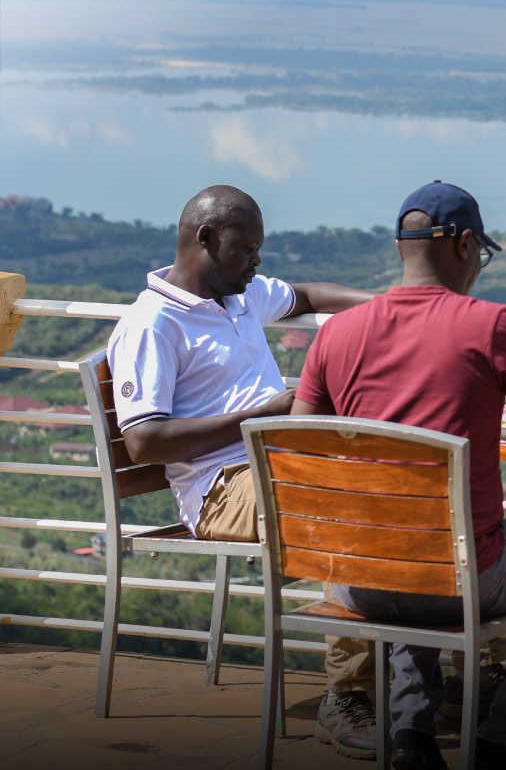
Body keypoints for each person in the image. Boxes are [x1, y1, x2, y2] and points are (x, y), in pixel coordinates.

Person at [292, 181, 506, 770]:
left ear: (401, 247)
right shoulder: (492, 326)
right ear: (467, 245)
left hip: (359, 576)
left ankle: (411, 735)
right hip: (460, 578)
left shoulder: (335, 335)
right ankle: (504, 736)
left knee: (405, 543)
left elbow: (302, 457)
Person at [109, 185, 385, 760]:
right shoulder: (153, 324)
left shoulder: (239, 294)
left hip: (283, 459)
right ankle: (348, 695)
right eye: (248, 248)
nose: (258, 261)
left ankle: (459, 671)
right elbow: (142, 441)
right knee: (344, 505)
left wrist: (390, 306)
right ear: (205, 240)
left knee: (407, 489)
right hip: (222, 488)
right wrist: (260, 417)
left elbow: (305, 295)